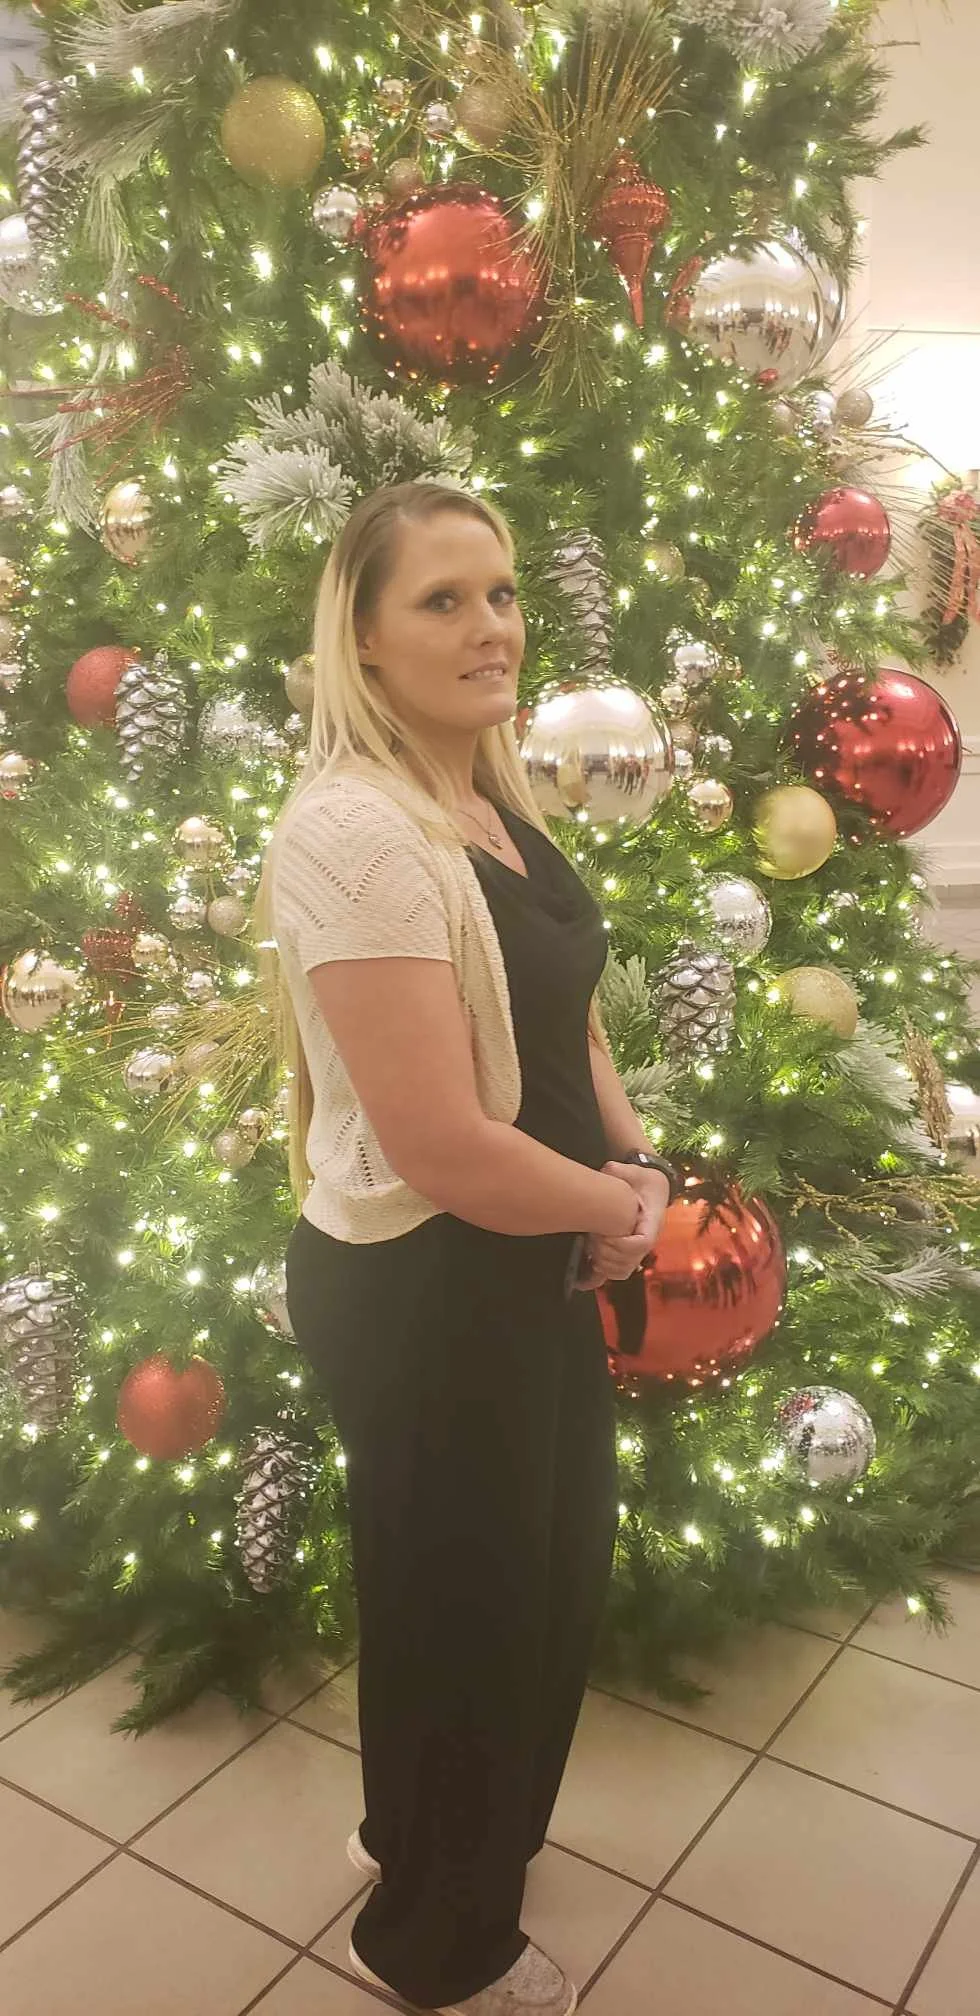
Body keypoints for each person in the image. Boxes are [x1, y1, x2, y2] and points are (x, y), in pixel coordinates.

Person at [259, 480, 675, 2015]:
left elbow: (565, 1017)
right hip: (433, 1279)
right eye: (442, 601)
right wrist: (616, 1210)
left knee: (493, 1587)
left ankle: (419, 1835)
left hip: (529, 1249)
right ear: (362, 644)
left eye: (499, 593)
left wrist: (623, 1162)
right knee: (484, 1605)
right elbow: (438, 1144)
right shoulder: (354, 834)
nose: (490, 626)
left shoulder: (487, 794)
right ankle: (442, 1949)